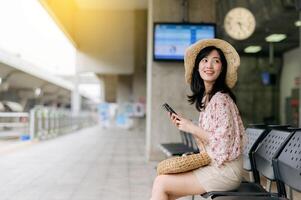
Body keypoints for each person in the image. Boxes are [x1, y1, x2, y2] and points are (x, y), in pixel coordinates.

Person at [150, 39, 246, 200]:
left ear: (221, 68)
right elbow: (209, 143)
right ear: (198, 67)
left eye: (216, 61)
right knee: (166, 188)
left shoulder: (221, 100)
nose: (209, 65)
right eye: (205, 60)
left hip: (225, 171)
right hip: (216, 166)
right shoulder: (207, 99)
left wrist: (191, 127)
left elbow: (223, 144)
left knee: (161, 183)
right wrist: (185, 126)